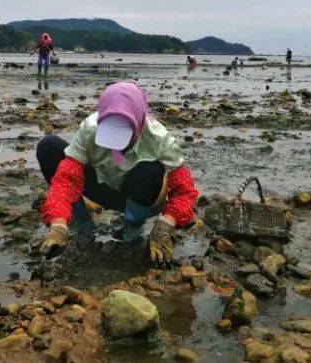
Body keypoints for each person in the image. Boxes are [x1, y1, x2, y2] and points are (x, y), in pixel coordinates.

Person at [36, 82, 198, 266]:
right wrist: (57, 224)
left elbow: (185, 191)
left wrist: (165, 225)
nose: (114, 145)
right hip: (102, 187)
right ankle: (82, 226)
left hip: (142, 196)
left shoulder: (158, 138)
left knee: (149, 170)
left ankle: (132, 231)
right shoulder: (90, 128)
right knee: (49, 147)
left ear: (138, 123)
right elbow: (66, 179)